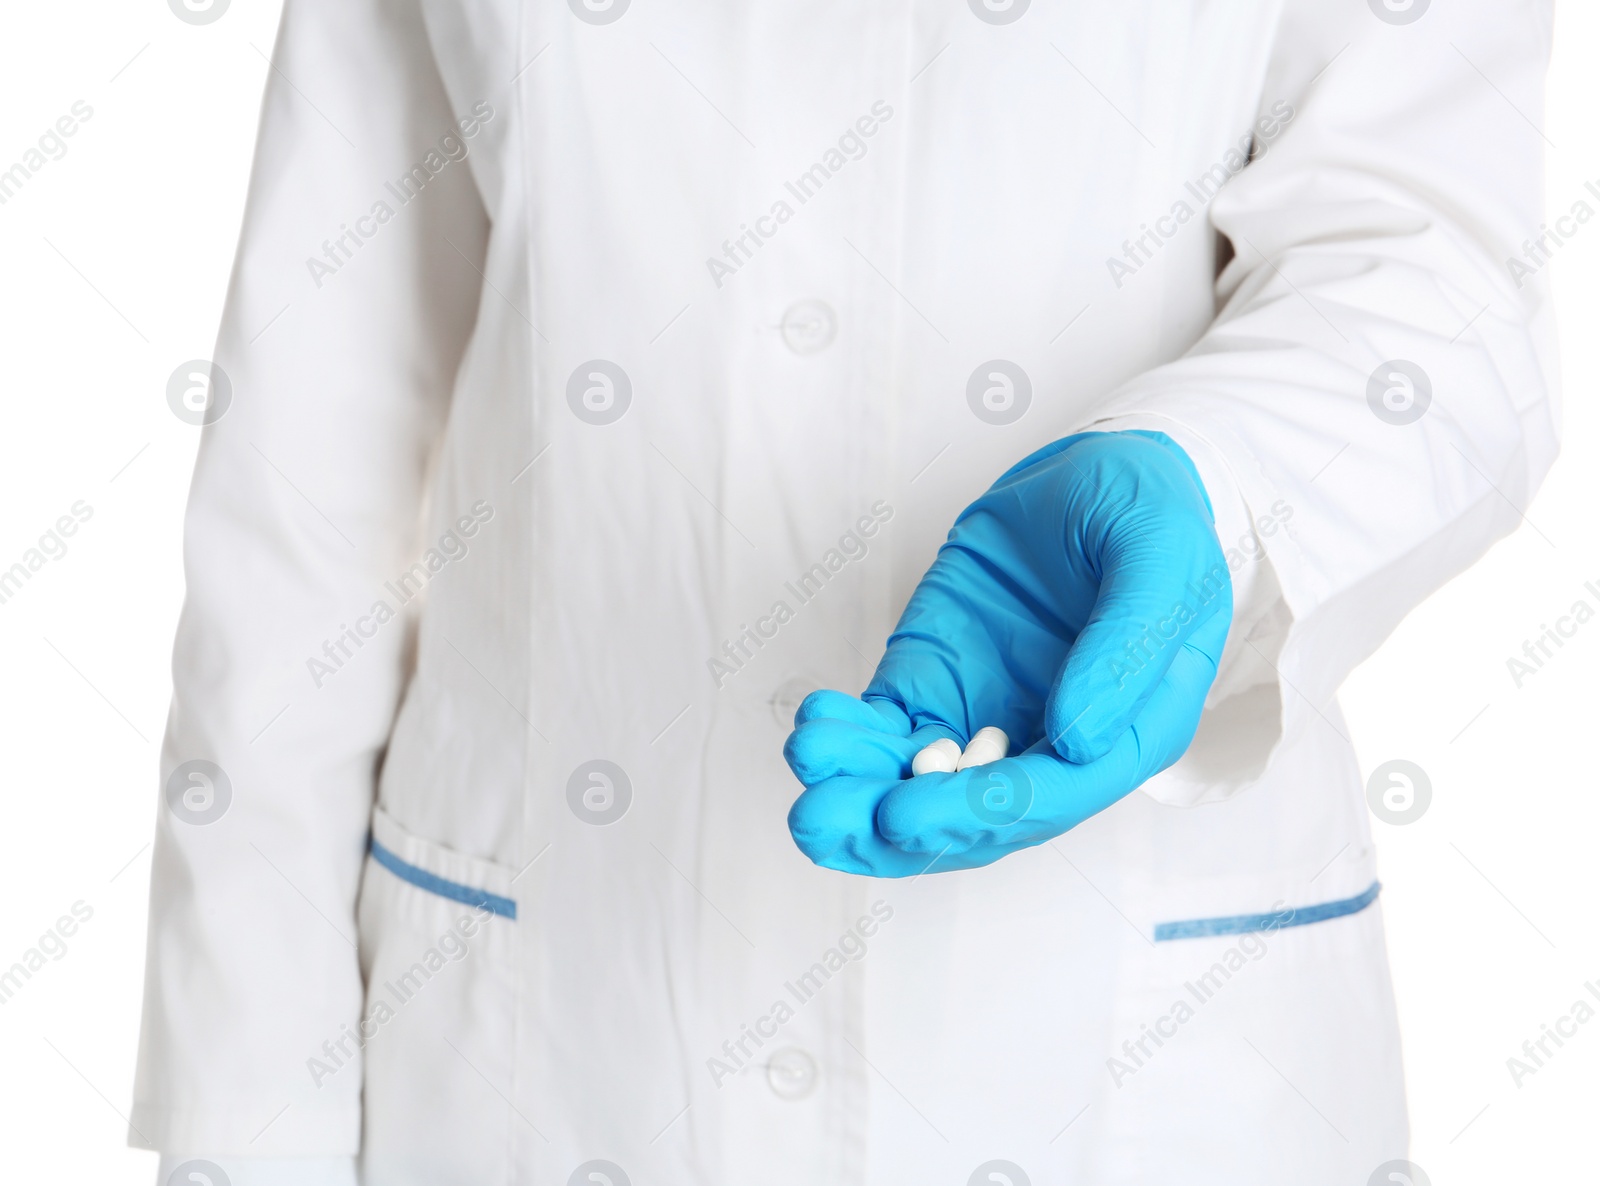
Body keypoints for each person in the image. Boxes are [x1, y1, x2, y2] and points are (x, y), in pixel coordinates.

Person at [132, 1, 1558, 1182]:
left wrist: (1221, 484)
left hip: (1147, 1066)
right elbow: (306, 487)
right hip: (555, 1051)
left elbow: (1428, 261)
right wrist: (245, 1118)